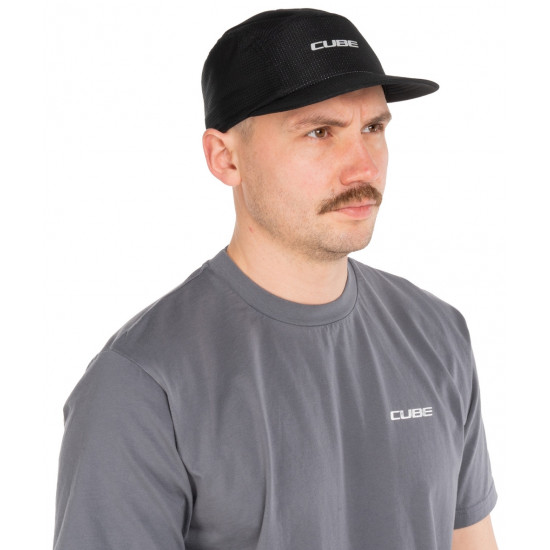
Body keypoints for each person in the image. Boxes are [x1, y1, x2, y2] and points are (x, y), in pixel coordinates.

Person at [53, 8, 498, 550]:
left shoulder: (437, 332)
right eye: (319, 132)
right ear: (225, 159)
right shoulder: (142, 383)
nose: (363, 167)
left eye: (373, 128)